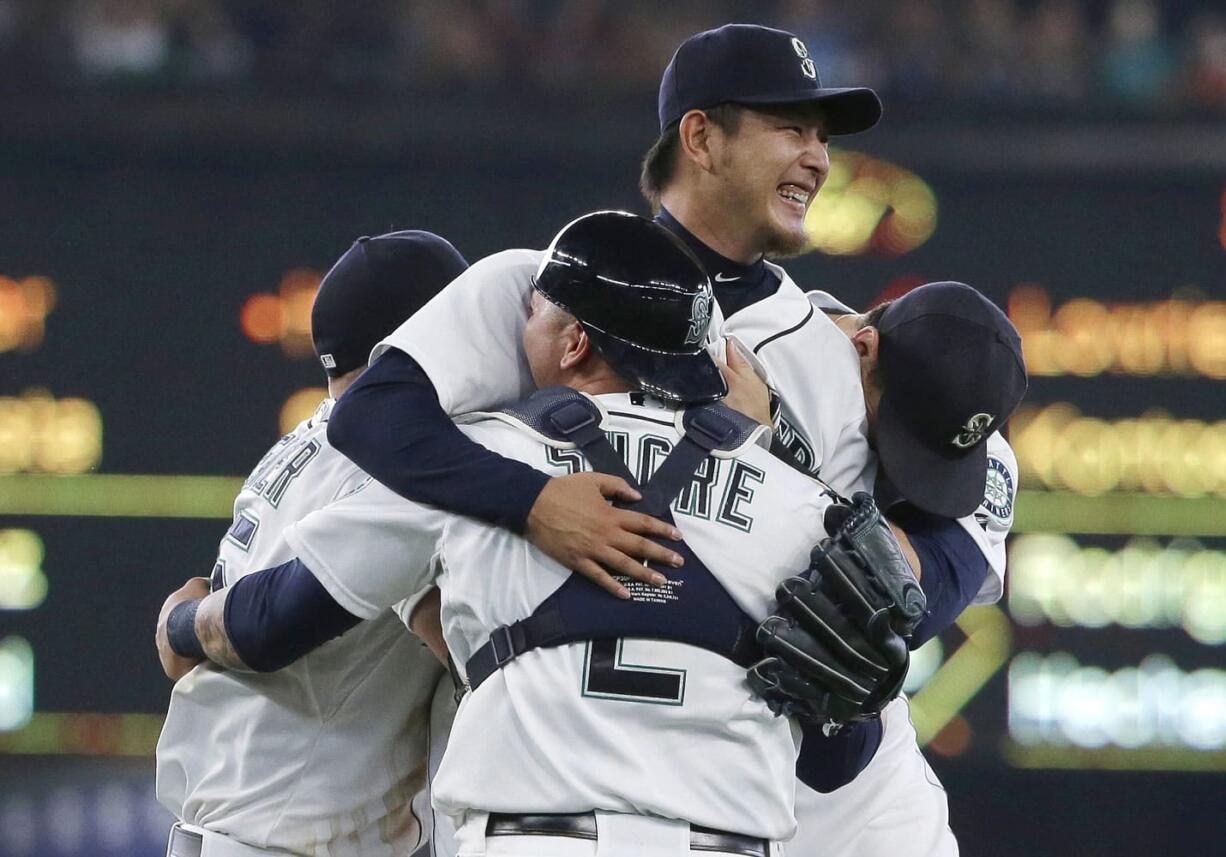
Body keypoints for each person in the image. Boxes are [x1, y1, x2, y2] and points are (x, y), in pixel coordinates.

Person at [325, 23, 1024, 856]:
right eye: (791, 129)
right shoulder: (547, 288)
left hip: (826, 801)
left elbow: (971, 500)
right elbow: (370, 417)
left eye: (823, 138)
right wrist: (536, 503)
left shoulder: (835, 353)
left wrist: (893, 611)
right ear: (701, 137)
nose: (817, 158)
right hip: (605, 774)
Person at [152, 211, 919, 857]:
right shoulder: (798, 502)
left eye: (533, 313)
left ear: (576, 341)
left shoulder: (455, 463)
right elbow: (835, 758)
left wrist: (180, 619)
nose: (513, 328)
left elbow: (274, 620)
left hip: (528, 834)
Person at [153, 230, 469, 857]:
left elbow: (181, 650)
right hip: (288, 841)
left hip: (233, 825)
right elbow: (472, 652)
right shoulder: (404, 459)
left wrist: (184, 623)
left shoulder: (303, 441)